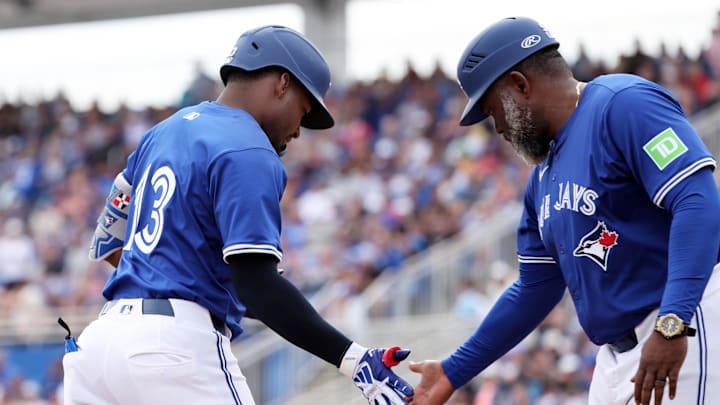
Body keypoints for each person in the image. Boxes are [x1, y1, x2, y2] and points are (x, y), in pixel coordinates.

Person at [61, 25, 414, 405]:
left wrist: (163, 280)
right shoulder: (249, 147)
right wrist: (355, 360)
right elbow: (257, 287)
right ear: (282, 83)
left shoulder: (162, 132)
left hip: (99, 345)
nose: (298, 131)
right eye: (303, 109)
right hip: (173, 349)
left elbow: (109, 235)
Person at [408, 16, 720, 405]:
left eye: (493, 111)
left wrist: (673, 323)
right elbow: (535, 287)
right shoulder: (542, 178)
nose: (498, 129)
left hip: (686, 323)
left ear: (520, 85)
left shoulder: (623, 104)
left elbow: (697, 201)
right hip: (617, 357)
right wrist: (454, 370)